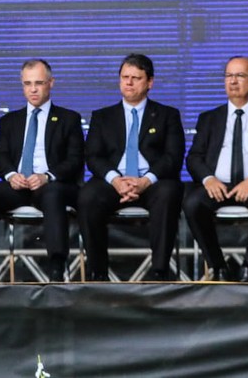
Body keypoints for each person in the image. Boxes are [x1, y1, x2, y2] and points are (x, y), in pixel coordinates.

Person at [0, 59, 84, 282]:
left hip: (51, 185)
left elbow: (75, 160)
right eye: (27, 83)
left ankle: (57, 267)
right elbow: (1, 156)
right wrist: (11, 175)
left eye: (39, 83)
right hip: (18, 184)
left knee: (52, 194)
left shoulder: (69, 119)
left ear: (51, 83)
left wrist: (47, 176)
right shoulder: (11, 120)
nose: (33, 89)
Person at [78, 53, 185, 282]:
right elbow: (93, 156)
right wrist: (116, 180)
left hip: (152, 182)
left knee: (168, 193)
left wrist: (145, 181)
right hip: (114, 182)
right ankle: (98, 273)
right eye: (124, 77)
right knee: (88, 197)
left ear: (150, 82)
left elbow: (173, 157)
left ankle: (159, 272)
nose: (128, 82)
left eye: (136, 78)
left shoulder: (167, 115)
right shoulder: (102, 116)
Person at [184, 56, 248, 282]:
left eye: (240, 76)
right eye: (228, 75)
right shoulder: (209, 118)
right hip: (216, 185)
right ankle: (218, 267)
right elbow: (194, 158)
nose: (233, 81)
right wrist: (208, 179)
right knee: (192, 204)